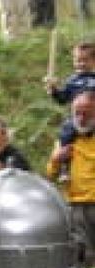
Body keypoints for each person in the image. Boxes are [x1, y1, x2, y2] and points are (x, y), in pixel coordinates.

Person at [46, 91, 95, 259]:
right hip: (75, 207)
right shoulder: (65, 138)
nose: (81, 119)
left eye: (86, 114)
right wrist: (56, 159)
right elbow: (51, 174)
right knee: (82, 258)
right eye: (77, 113)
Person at [45, 41, 95, 184]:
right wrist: (53, 90)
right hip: (76, 120)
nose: (80, 64)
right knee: (65, 133)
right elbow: (62, 99)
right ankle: (65, 168)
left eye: (85, 60)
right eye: (77, 60)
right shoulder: (72, 81)